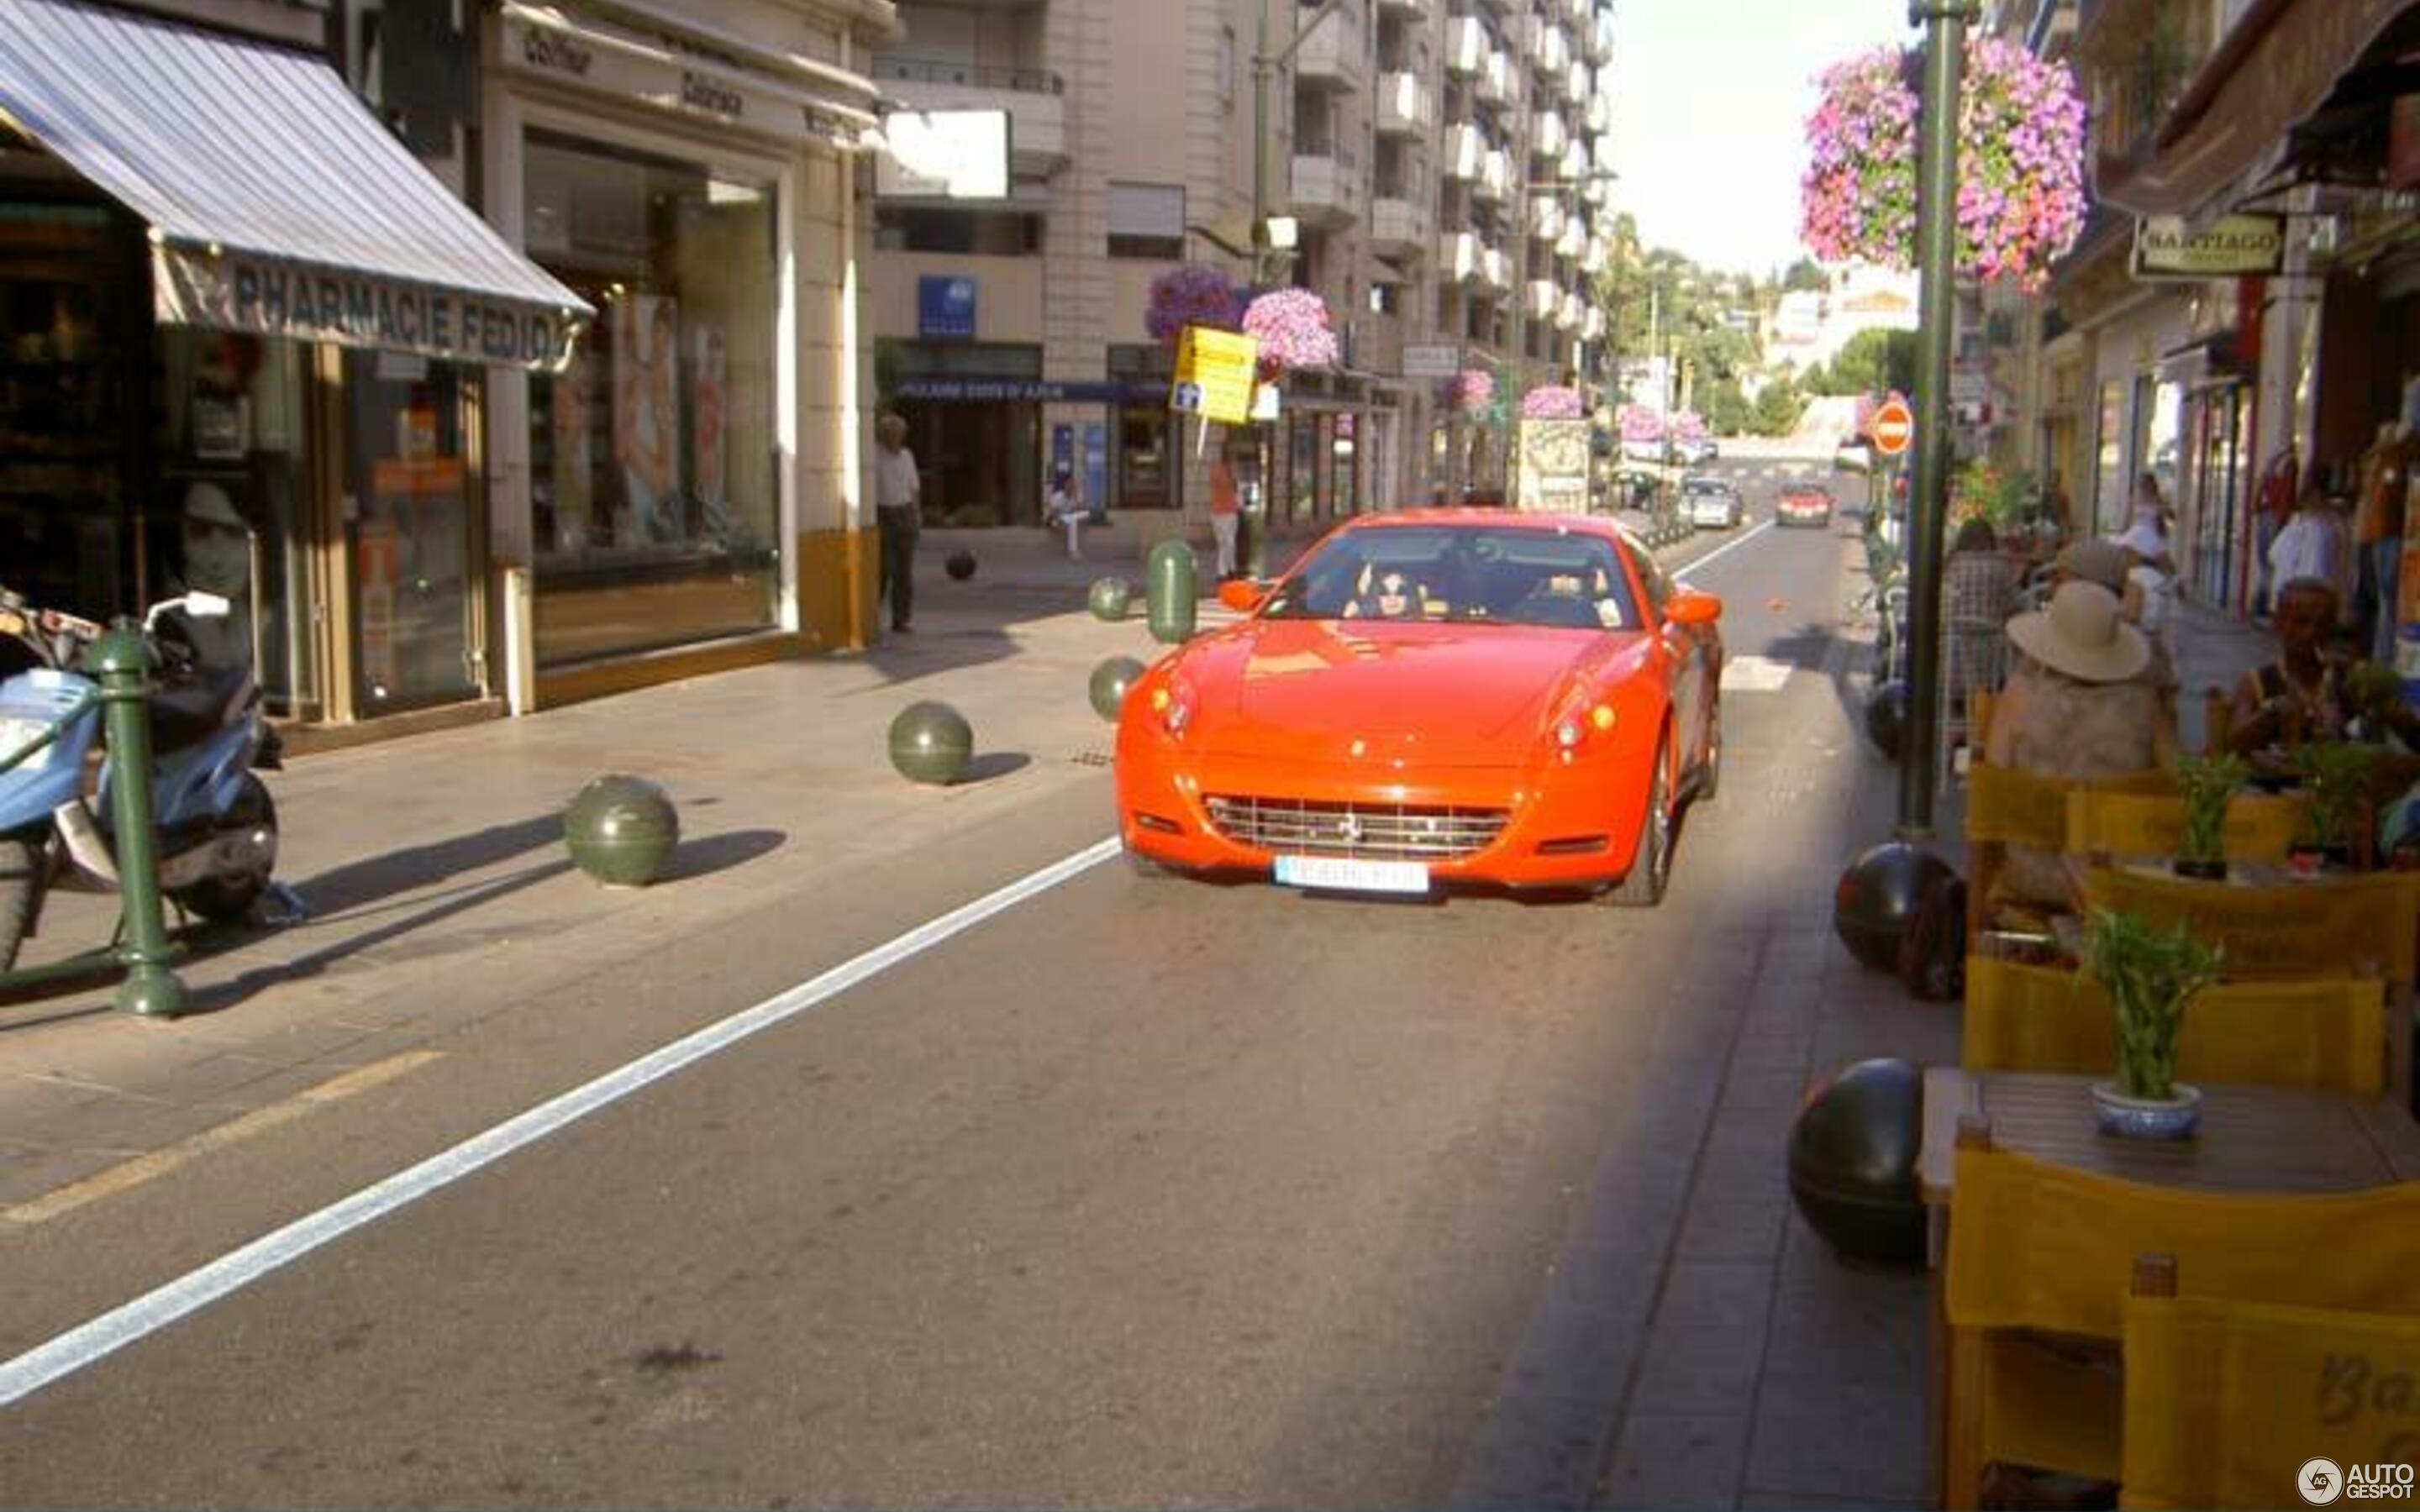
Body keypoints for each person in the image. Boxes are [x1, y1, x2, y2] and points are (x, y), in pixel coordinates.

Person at [1985, 580, 2175, 914]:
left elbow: (1993, 786)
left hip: (2034, 876)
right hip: (2121, 879)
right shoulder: (2147, 707)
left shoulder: (2021, 696)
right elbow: (2175, 782)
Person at [2227, 576, 2420, 767]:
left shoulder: (2346, 678)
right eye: (2301, 622)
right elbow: (2231, 745)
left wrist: (2389, 704)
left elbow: (2414, 738)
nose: (2311, 632)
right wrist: (2273, 713)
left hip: (2338, 788)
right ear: (2278, 623)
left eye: (2323, 624)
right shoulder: (2257, 682)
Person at [2267, 489, 2353, 629]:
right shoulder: (2331, 529)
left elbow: (2274, 555)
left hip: (2296, 592)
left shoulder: (2298, 527)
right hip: (2317, 591)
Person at [874, 413, 920, 635]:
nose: (896, 439)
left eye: (900, 434)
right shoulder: (874, 456)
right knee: (883, 568)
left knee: (904, 571)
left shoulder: (907, 456)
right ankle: (872, 615)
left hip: (905, 513)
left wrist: (917, 515)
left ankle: (901, 619)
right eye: (892, 434)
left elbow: (914, 488)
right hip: (883, 513)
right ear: (883, 436)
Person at [1207, 451, 1242, 580]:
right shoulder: (1226, 473)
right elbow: (1231, 488)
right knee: (1228, 543)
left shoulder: (1219, 471)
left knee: (1225, 543)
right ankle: (1229, 570)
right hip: (1226, 512)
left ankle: (1225, 571)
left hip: (1220, 512)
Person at [1044, 463, 1085, 561]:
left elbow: (1080, 509)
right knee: (1071, 523)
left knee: (1076, 521)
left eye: (1072, 483)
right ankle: (1073, 550)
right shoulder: (1058, 496)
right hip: (1057, 519)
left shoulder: (1076, 495)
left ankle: (1073, 549)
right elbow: (1053, 512)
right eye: (1069, 483)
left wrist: (1075, 498)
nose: (1071, 486)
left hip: (1069, 518)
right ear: (1064, 485)